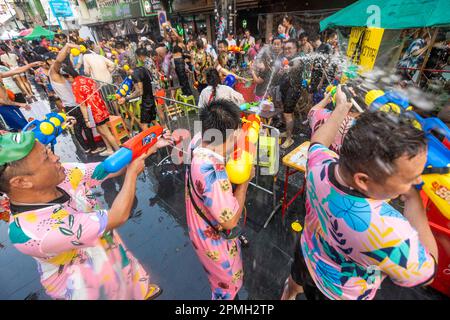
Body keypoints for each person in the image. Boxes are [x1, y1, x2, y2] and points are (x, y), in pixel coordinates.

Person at [282, 87, 438, 300]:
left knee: (294, 283)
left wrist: (341, 107)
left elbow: (318, 142)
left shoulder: (320, 168)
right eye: (409, 178)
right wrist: (414, 201)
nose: (417, 181)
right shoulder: (391, 231)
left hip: (309, 253)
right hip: (339, 292)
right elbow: (428, 272)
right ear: (363, 180)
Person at [0, 129, 173, 299]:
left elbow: (106, 169)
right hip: (83, 284)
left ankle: (138, 293)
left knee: (125, 272)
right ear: (21, 182)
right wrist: (132, 173)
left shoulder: (62, 174)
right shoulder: (32, 231)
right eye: (46, 158)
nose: (56, 157)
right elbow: (117, 216)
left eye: (48, 151)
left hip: (105, 247)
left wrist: (147, 147)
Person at [185, 99, 252, 300]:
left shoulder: (197, 139)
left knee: (216, 279)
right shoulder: (212, 169)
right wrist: (245, 182)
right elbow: (230, 220)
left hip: (198, 226)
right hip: (213, 240)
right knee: (226, 286)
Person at [49, 43, 102, 154]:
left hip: (69, 106)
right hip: (75, 105)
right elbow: (58, 60)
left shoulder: (57, 75)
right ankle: (93, 148)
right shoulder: (53, 72)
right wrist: (68, 46)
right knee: (85, 127)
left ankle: (86, 148)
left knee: (77, 128)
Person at [66, 65, 120, 156]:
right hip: (100, 106)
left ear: (69, 76)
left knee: (106, 132)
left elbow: (82, 104)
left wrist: (86, 119)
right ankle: (109, 149)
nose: (68, 81)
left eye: (67, 78)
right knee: (101, 131)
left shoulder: (76, 85)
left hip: (93, 111)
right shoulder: (86, 78)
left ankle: (119, 152)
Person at [118, 58, 165, 130]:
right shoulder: (142, 69)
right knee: (154, 121)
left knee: (144, 125)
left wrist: (126, 98)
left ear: (126, 67)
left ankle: (154, 140)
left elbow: (139, 91)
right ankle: (161, 135)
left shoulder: (134, 74)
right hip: (150, 97)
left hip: (147, 101)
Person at [0, 61, 43, 131]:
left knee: (26, 126)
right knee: (24, 128)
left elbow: (16, 71)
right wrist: (19, 104)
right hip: (4, 109)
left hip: (9, 106)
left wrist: (30, 65)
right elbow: (2, 101)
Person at [279, 40, 302, 149]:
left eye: (290, 48)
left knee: (288, 114)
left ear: (296, 49)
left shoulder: (298, 59)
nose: (287, 50)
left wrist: (289, 69)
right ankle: (288, 132)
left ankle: (289, 139)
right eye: (285, 48)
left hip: (293, 90)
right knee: (288, 112)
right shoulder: (286, 60)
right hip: (286, 89)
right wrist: (281, 71)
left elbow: (296, 67)